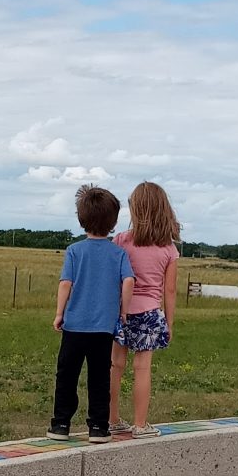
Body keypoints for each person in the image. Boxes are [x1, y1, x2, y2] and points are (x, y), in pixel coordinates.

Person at [49, 185, 134, 440]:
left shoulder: (75, 250)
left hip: (74, 325)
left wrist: (59, 313)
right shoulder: (118, 253)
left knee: (67, 375)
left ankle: (60, 424)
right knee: (99, 378)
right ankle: (98, 427)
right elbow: (129, 281)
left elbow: (66, 283)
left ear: (81, 218)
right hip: (103, 328)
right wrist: (123, 311)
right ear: (113, 222)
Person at [110, 180, 180, 436]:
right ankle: (140, 424)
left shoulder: (121, 241)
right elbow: (169, 291)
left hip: (121, 311)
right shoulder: (169, 249)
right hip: (150, 313)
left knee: (115, 365)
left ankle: (112, 419)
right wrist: (169, 323)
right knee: (142, 368)